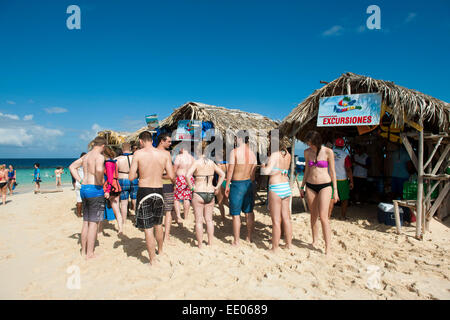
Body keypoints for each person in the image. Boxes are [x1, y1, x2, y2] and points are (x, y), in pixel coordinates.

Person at [129, 131, 175, 266]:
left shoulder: (138, 154)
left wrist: (142, 173)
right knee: (158, 224)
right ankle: (160, 251)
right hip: (159, 191)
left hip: (145, 191)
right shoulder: (165, 154)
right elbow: (171, 175)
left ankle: (152, 261)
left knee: (148, 228)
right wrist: (157, 173)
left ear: (141, 141)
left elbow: (131, 177)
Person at [69, 136, 107, 260]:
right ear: (103, 146)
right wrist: (100, 180)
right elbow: (99, 169)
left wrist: (80, 180)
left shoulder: (86, 156)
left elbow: (72, 167)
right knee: (94, 223)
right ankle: (90, 254)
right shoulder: (99, 157)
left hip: (84, 188)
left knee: (86, 221)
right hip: (95, 189)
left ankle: (83, 251)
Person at [299, 131, 337, 255]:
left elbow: (332, 172)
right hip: (310, 186)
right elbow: (306, 171)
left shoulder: (328, 152)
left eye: (311, 143)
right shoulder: (307, 152)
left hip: (325, 185)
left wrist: (335, 191)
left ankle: (328, 248)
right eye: (308, 143)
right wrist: (302, 186)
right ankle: (315, 240)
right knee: (313, 215)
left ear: (316, 141)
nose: (309, 145)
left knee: (323, 217)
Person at [186, 141, 225, 248]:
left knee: (198, 221)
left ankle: (199, 245)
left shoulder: (196, 162)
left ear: (198, 151)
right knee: (209, 220)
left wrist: (191, 187)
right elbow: (222, 174)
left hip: (198, 191)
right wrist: (217, 187)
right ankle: (210, 242)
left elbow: (187, 175)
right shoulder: (212, 163)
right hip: (210, 192)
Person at [224, 132, 257, 246]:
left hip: (237, 184)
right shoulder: (253, 154)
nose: (235, 140)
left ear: (240, 138)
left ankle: (236, 241)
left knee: (236, 214)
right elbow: (253, 174)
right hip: (248, 183)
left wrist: (227, 184)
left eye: (236, 138)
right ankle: (249, 237)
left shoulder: (235, 152)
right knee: (249, 212)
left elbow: (230, 170)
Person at [261, 140, 292, 252]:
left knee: (276, 221)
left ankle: (275, 248)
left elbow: (267, 172)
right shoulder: (288, 155)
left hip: (276, 187)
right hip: (286, 186)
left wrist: (263, 166)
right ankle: (288, 244)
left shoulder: (274, 155)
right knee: (286, 218)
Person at [156, 133, 178, 242]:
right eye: (168, 141)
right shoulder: (166, 154)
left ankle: (158, 234)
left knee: (157, 211)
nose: (170, 143)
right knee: (168, 211)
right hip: (166, 184)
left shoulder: (152, 152)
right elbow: (171, 174)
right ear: (162, 141)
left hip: (154, 184)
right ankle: (166, 236)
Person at [329, 138, 353, 219]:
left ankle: (328, 215)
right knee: (344, 199)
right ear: (343, 146)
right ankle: (343, 216)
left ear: (335, 144)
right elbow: (348, 169)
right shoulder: (345, 155)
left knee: (331, 198)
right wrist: (352, 181)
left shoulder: (330, 152)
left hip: (330, 178)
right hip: (342, 179)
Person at [115, 143, 137, 227]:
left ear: (122, 148)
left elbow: (114, 173)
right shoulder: (134, 158)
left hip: (122, 179)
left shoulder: (117, 159)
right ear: (130, 149)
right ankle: (136, 218)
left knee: (124, 203)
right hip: (134, 178)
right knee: (135, 200)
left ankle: (124, 221)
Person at [103, 146, 123, 234]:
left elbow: (110, 177)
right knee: (117, 208)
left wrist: (107, 190)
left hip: (111, 187)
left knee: (114, 208)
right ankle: (120, 228)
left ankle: (120, 228)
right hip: (116, 185)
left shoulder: (107, 163)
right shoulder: (113, 162)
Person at [173, 147, 195, 221]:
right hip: (189, 178)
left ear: (182, 148)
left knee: (177, 198)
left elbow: (174, 169)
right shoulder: (192, 158)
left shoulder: (179, 157)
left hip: (180, 178)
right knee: (187, 198)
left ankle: (178, 216)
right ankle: (186, 216)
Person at [214, 151, 229, 224]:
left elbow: (220, 176)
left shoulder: (218, 164)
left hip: (221, 182)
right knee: (226, 201)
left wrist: (217, 186)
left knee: (220, 202)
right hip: (228, 182)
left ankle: (223, 217)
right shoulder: (228, 163)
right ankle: (232, 211)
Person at [74, 152, 86, 217]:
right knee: (87, 199)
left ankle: (78, 214)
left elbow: (73, 174)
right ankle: (86, 213)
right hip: (85, 184)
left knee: (79, 199)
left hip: (78, 183)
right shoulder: (87, 165)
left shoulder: (77, 165)